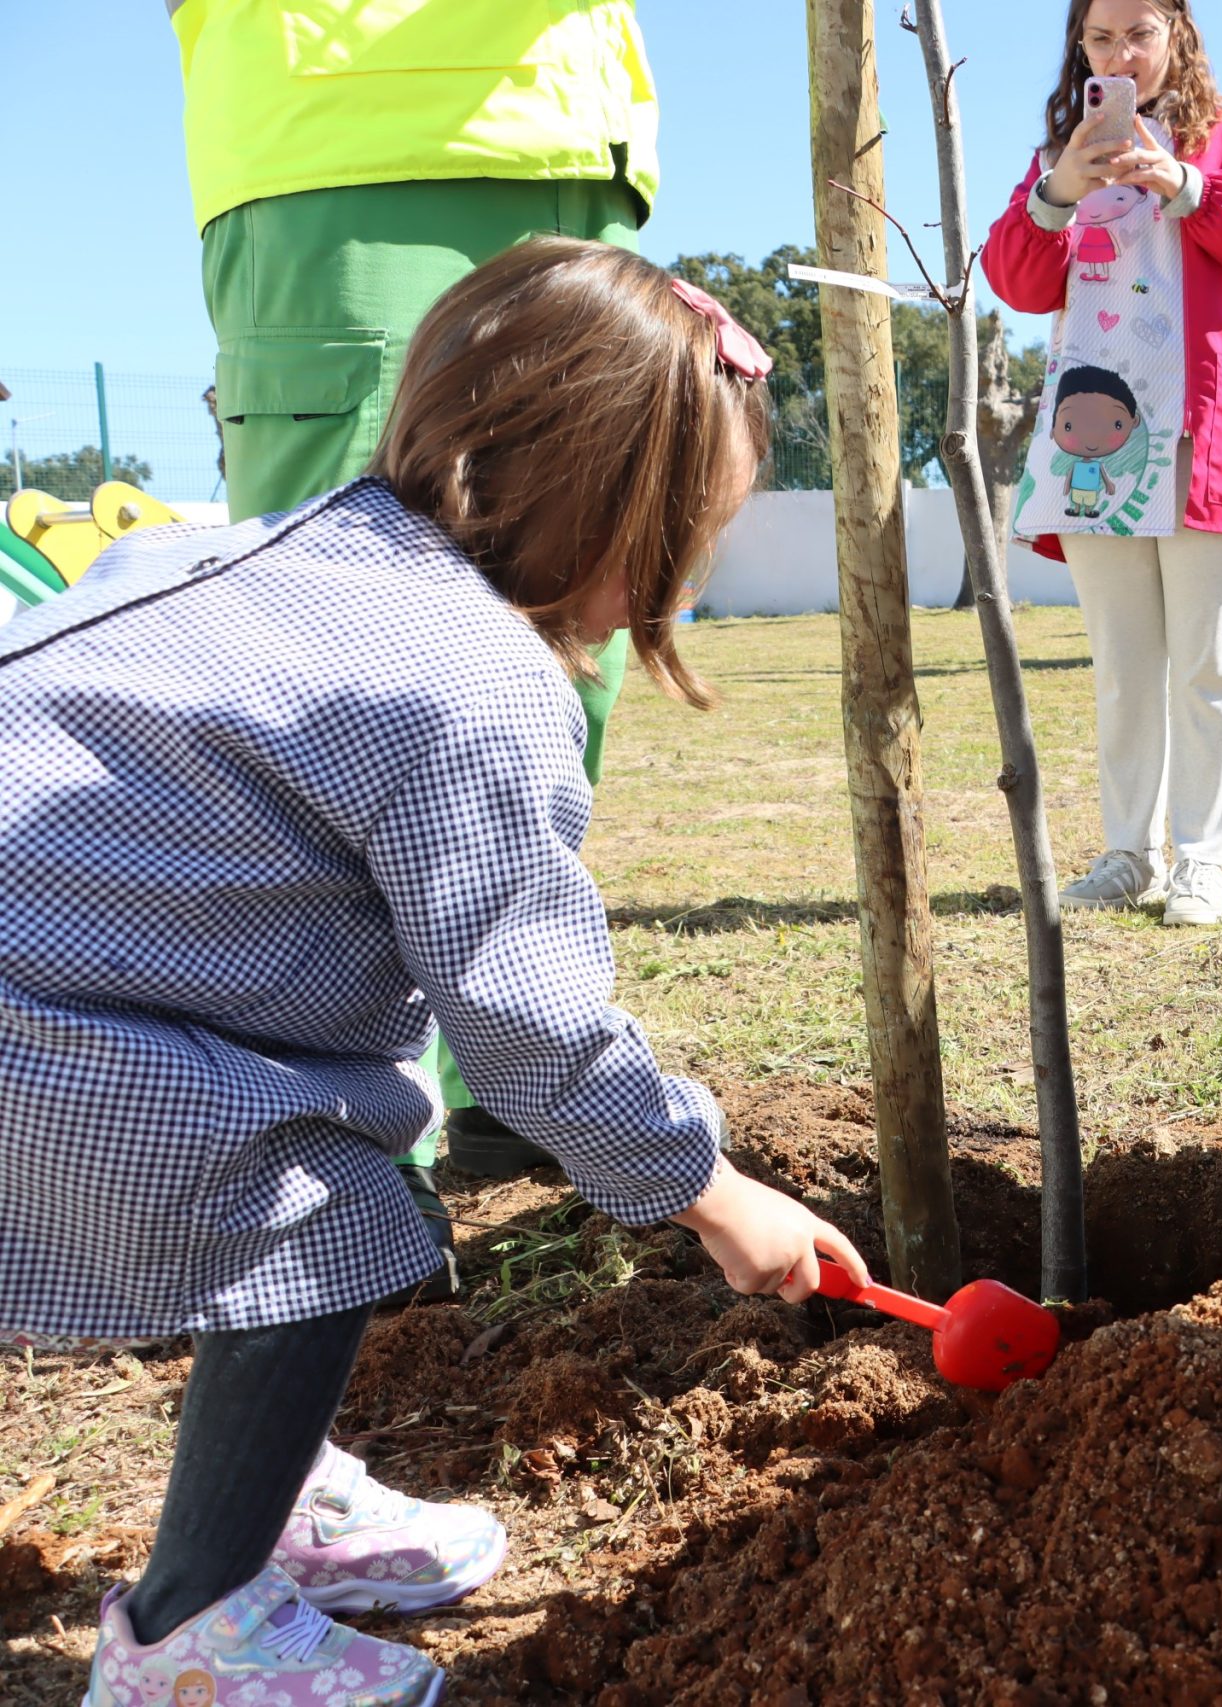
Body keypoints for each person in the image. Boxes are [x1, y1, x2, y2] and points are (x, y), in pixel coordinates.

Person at [0, 240, 873, 1702]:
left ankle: (276, 1488)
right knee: (315, 1194)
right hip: (39, 1031)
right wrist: (716, 1194)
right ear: (623, 519)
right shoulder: (472, 687)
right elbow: (531, 1028)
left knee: (299, 1148)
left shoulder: (263, 549)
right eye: (690, 533)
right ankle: (189, 1636)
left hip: (55, 981)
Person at [169, 0, 676, 1286]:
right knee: (342, 653)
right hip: (338, 118)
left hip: (569, 130)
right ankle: (332, 1148)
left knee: (554, 660)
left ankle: (517, 1072)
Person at [984, 0, 1222, 930]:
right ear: (1079, 49)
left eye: (1140, 33)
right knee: (1124, 663)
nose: (1121, 52)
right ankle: (1130, 851)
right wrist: (1056, 191)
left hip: (1204, 430)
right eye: (1101, 37)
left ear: (1179, 34)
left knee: (1208, 662)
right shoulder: (1065, 150)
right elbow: (1016, 280)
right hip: (1098, 437)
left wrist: (1185, 182)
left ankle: (1203, 858)